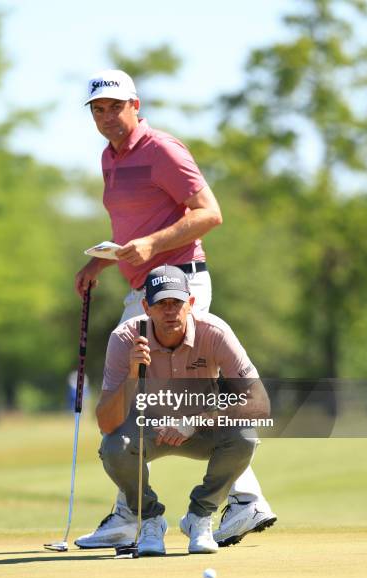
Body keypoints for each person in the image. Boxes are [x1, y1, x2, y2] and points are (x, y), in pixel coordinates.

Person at [75, 69, 276, 549]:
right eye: (98, 110)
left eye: (115, 107)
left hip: (180, 282)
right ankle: (242, 500)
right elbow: (132, 226)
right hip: (138, 284)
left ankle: (134, 515)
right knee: (140, 395)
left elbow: (210, 212)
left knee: (149, 394)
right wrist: (102, 264)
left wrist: (151, 244)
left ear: (136, 105)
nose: (107, 117)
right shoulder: (109, 157)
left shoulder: (163, 149)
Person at [94, 265, 271, 555]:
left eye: (176, 302)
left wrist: (194, 422)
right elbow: (106, 422)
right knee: (114, 446)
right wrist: (131, 375)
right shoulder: (125, 338)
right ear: (145, 307)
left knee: (244, 436)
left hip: (201, 430)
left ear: (190, 303)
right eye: (161, 303)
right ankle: (150, 520)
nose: (169, 311)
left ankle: (199, 517)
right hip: (147, 430)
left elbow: (260, 403)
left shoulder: (214, 332)